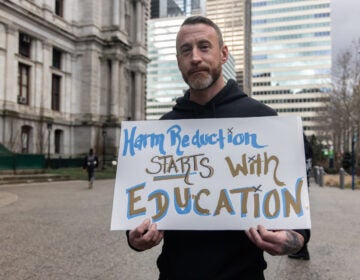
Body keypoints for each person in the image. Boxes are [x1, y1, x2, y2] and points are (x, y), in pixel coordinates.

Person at [126, 16, 310, 279]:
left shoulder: (265, 121)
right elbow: (139, 210)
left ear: (223, 54)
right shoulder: (162, 132)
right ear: (178, 61)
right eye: (185, 50)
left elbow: (296, 211)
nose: (195, 57)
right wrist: (135, 239)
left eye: (204, 46)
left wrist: (295, 239)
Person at [288, 136, 313, 260]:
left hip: (299, 186)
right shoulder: (307, 146)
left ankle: (302, 251)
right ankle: (302, 250)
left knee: (299, 216)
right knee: (301, 215)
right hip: (303, 185)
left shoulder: (298, 143)